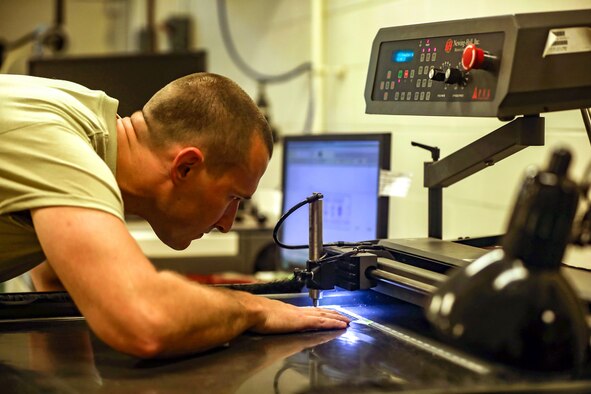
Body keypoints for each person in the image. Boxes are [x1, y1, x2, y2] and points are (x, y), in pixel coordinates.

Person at [0, 72, 349, 358]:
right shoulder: (60, 141)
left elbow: (56, 277)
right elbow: (146, 322)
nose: (227, 224)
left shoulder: (80, 122)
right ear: (185, 167)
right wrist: (251, 307)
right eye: (232, 197)